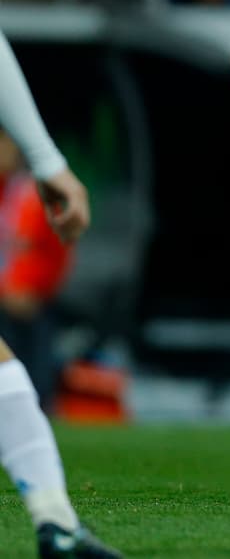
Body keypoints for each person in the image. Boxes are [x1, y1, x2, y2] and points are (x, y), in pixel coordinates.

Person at [0, 30, 120, 557]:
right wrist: (48, 161)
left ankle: (57, 521)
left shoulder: (20, 198)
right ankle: (57, 523)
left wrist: (45, 164)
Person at [0, 129, 79, 410]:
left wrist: (35, 290)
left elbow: (59, 251)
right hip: (4, 303)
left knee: (36, 383)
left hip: (34, 305)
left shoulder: (35, 192)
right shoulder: (5, 191)